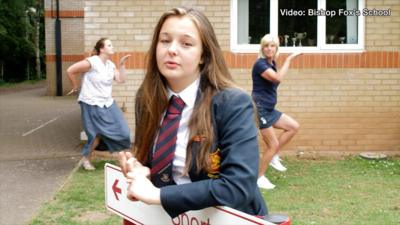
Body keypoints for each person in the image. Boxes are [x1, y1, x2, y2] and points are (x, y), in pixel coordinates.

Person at [118, 7, 268, 223]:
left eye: (186, 44)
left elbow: (238, 187)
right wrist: (141, 169)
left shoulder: (233, 103)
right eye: (165, 40)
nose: (172, 50)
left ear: (203, 55)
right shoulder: (146, 97)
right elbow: (155, 161)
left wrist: (158, 195)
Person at [67, 38, 131, 170]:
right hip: (91, 103)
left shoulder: (110, 65)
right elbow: (70, 70)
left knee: (123, 130)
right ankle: (87, 159)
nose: (112, 47)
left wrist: (122, 64)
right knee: (95, 134)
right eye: (109, 45)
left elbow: (121, 80)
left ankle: (121, 157)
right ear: (101, 49)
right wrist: (75, 86)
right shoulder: (92, 62)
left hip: (107, 102)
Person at [251, 34, 302, 189]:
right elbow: (277, 78)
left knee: (293, 127)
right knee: (272, 145)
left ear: (276, 48)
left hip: (269, 109)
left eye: (272, 46)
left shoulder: (271, 63)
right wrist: (289, 60)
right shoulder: (260, 64)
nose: (269, 48)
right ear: (262, 48)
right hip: (260, 109)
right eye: (266, 46)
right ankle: (258, 178)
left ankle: (273, 156)